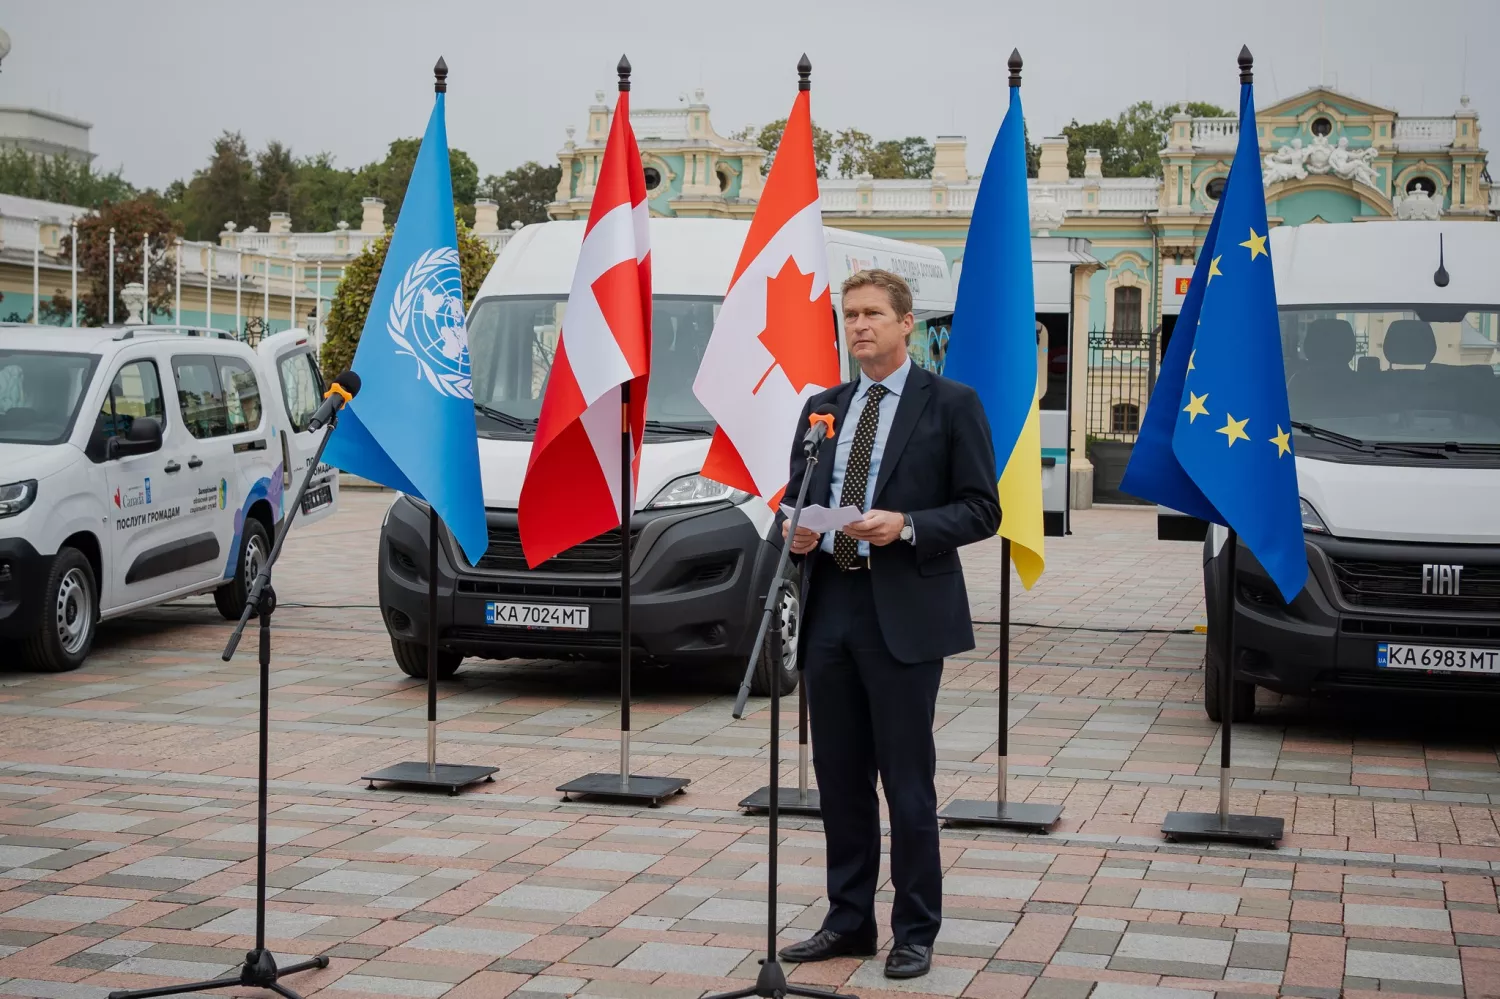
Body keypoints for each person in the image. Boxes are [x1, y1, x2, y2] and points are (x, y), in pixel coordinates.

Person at [776, 269, 1001, 980]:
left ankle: (914, 929)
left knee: (906, 781)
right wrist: (796, 530)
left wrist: (905, 525)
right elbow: (793, 499)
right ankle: (848, 921)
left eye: (874, 313)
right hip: (829, 606)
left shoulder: (952, 404)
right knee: (838, 778)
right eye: (850, 316)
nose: (860, 326)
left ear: (908, 324)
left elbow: (982, 508)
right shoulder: (823, 408)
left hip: (901, 610)